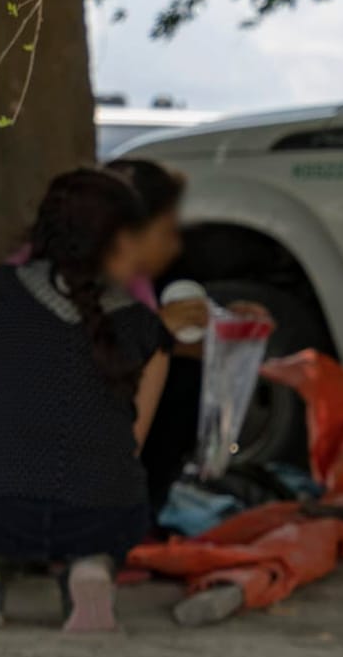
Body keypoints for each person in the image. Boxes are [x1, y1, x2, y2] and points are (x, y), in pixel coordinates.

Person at [0, 169, 172, 631]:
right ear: (121, 242)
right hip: (105, 519)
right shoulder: (149, 329)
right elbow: (130, 447)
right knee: (108, 477)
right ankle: (91, 567)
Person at [101, 158, 273, 520]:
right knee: (175, 372)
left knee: (185, 372)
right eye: (167, 231)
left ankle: (135, 511)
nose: (176, 246)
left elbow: (179, 346)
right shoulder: (60, 279)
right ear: (125, 234)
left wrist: (229, 326)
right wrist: (157, 330)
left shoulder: (137, 283)